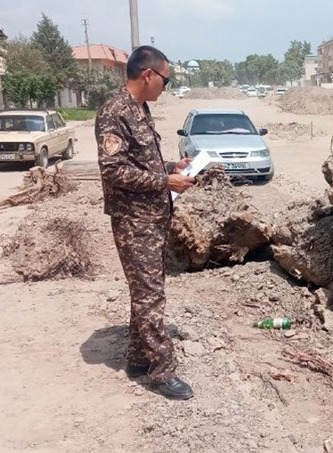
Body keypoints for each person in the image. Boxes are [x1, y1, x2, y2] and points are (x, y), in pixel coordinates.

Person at [95, 46, 196, 400]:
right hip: (134, 222)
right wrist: (165, 183)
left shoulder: (141, 109)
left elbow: (141, 163)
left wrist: (171, 168)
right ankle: (161, 371)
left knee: (145, 293)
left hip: (153, 218)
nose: (166, 86)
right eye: (165, 79)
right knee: (150, 296)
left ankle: (138, 359)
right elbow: (113, 170)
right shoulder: (114, 112)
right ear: (148, 75)